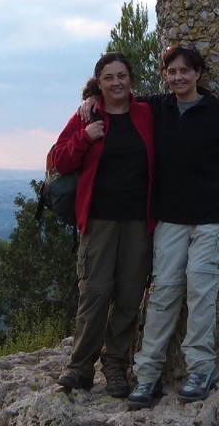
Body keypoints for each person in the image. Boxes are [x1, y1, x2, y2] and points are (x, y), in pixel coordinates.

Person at [125, 43, 219, 409]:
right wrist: (90, 98)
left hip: (211, 219)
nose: (178, 77)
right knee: (164, 294)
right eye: (172, 71)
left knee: (201, 292)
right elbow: (119, 100)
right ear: (165, 76)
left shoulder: (217, 112)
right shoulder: (158, 108)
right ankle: (148, 374)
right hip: (170, 218)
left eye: (185, 70)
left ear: (198, 73)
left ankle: (201, 369)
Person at [50, 52, 156, 398]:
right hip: (98, 220)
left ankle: (115, 367)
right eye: (108, 77)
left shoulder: (146, 113)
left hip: (138, 222)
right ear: (99, 82)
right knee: (94, 294)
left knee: (129, 296)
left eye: (121, 75)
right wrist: (85, 137)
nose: (116, 82)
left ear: (131, 79)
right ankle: (80, 367)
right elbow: (59, 160)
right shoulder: (87, 116)